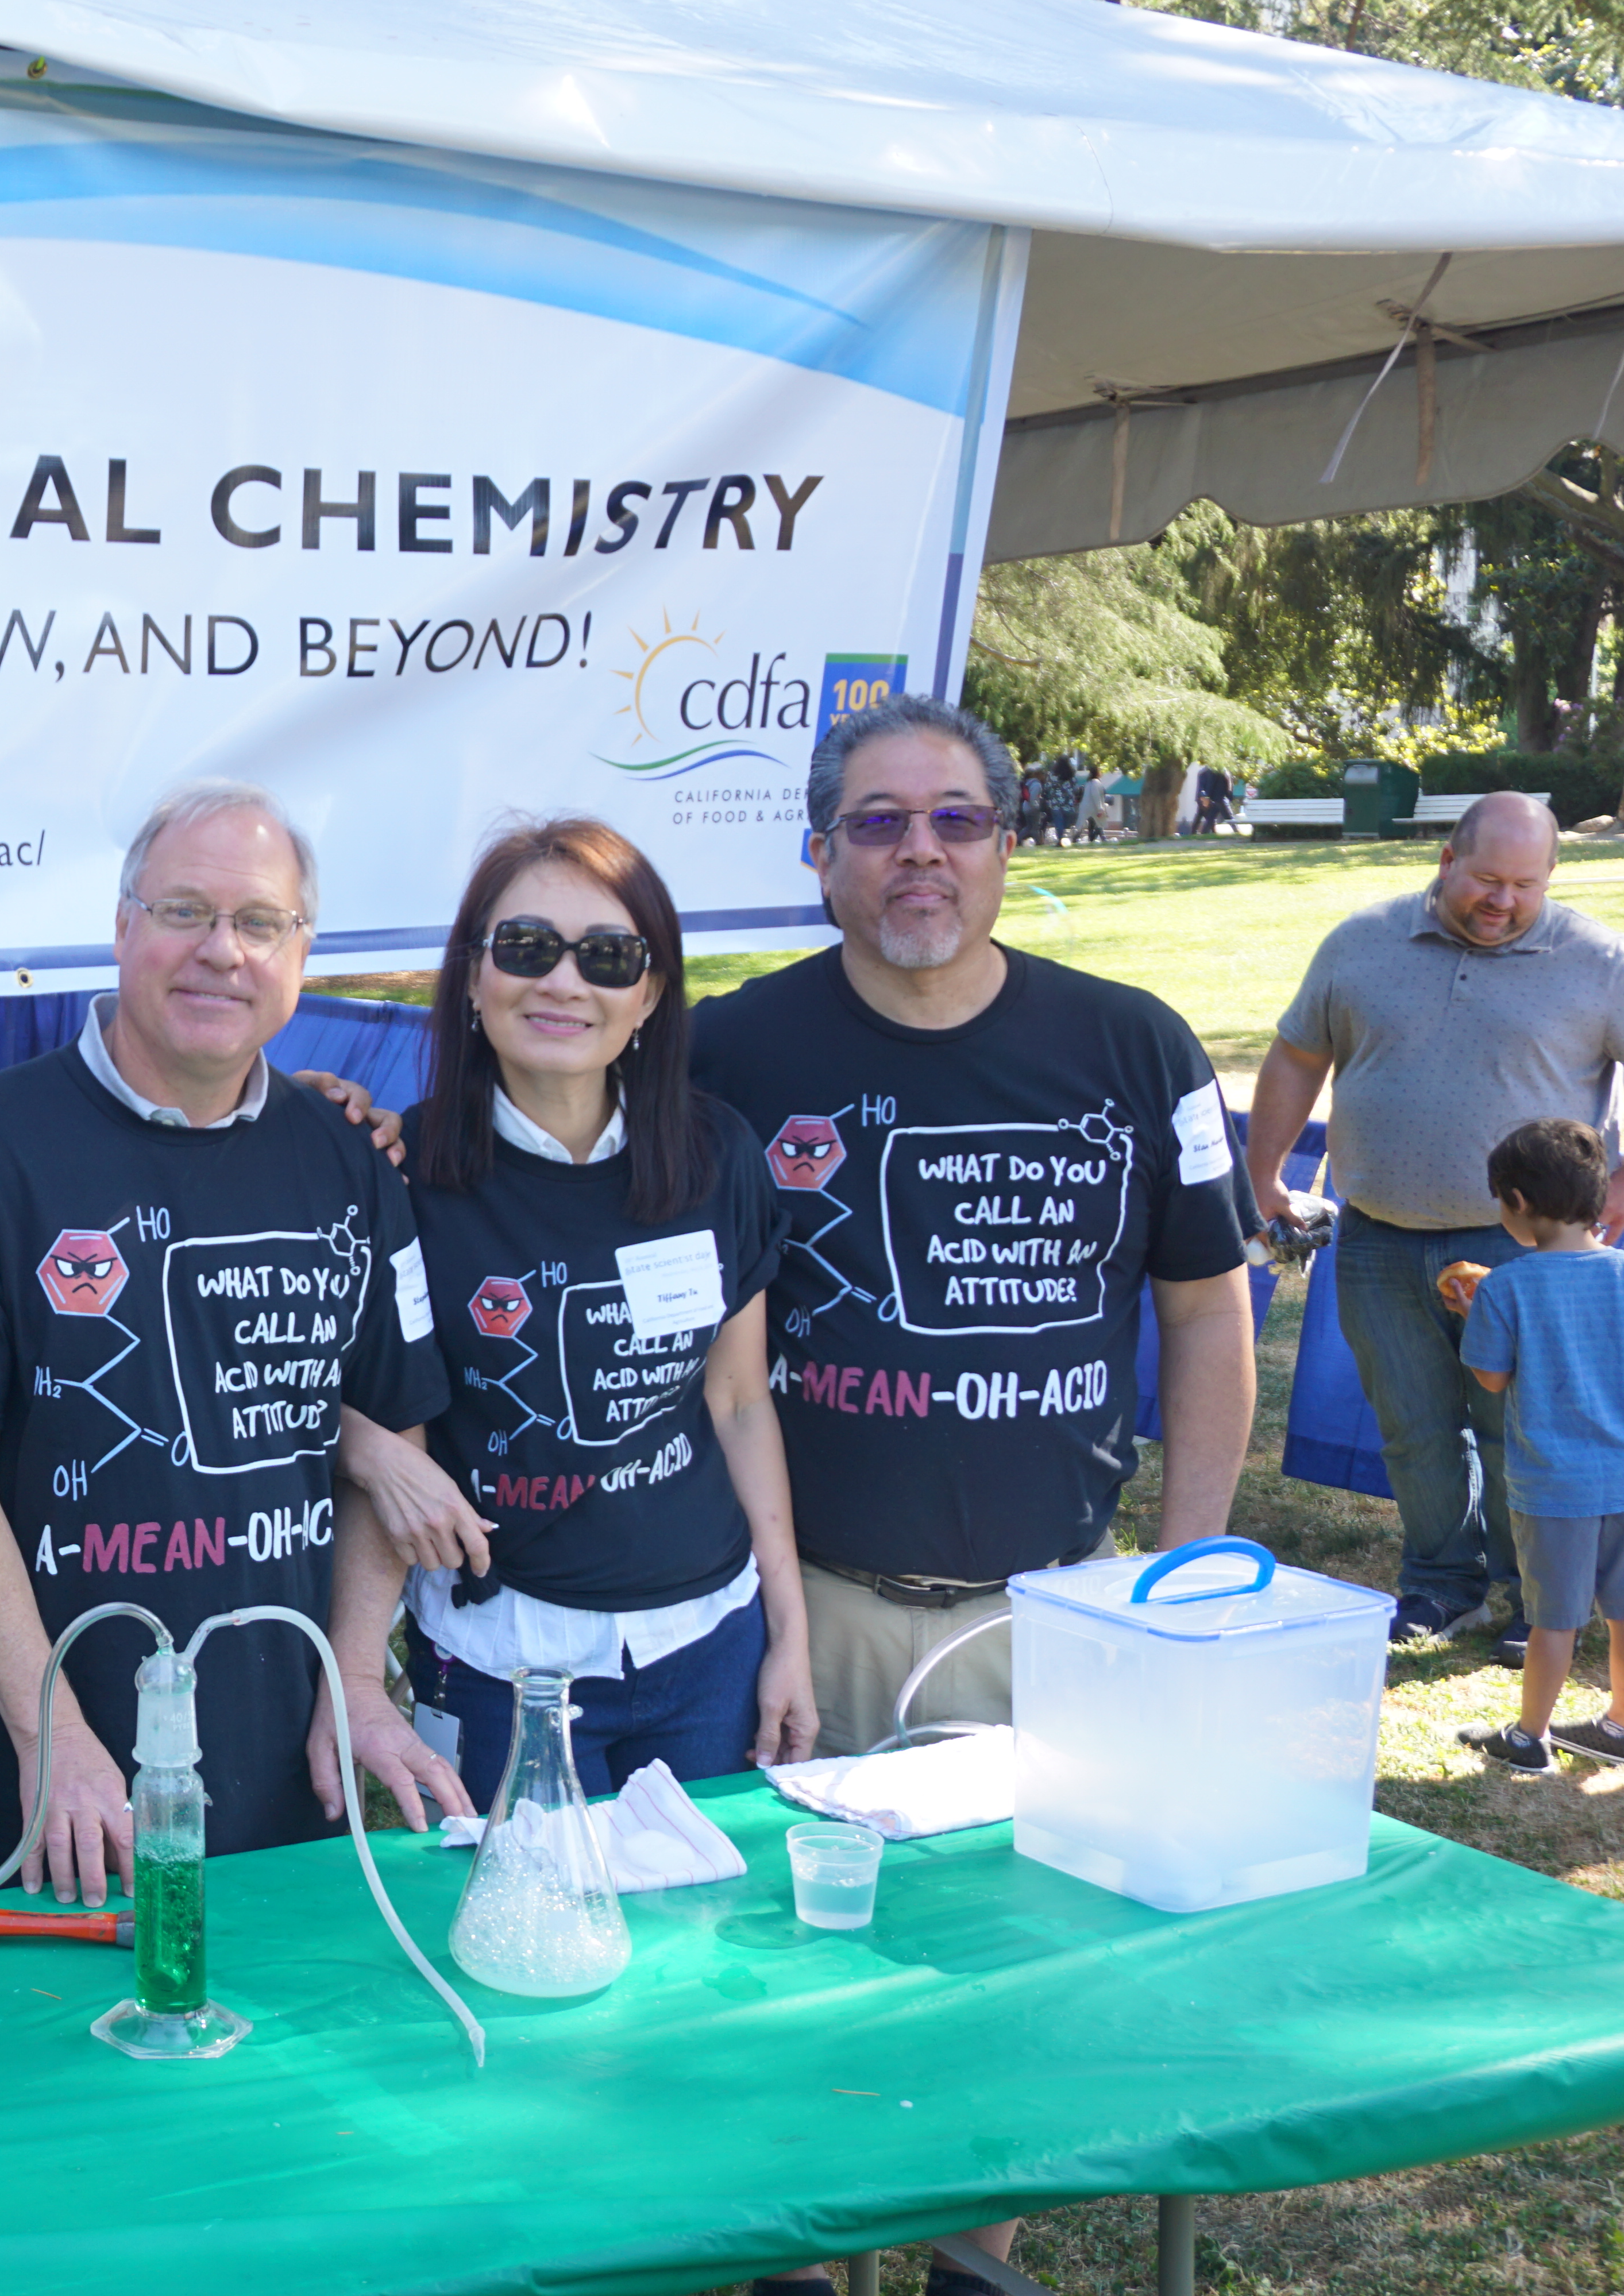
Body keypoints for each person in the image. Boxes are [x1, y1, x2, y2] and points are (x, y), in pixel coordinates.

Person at [691, 694, 1252, 2295]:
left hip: (1054, 1614)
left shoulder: (1130, 1043)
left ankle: (970, 2264)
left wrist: (1181, 1581)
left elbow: (1208, 1305)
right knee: (785, 1981)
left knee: (1006, 1988)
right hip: (803, 1619)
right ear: (819, 858)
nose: (919, 853)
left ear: (1010, 846)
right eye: (879, 823)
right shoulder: (731, 1053)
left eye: (956, 820)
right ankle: (793, 2258)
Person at [0, 780, 468, 1907]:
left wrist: (353, 1677)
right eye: (184, 911)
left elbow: (392, 1421)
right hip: (53, 1786)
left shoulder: (350, 1157)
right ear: (121, 927)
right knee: (65, 2078)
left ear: (304, 951)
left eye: (259, 923)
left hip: (287, 1770)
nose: (222, 952)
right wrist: (50, 1730)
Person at [357, 818, 816, 1793]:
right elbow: (316, 1391)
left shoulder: (719, 1156)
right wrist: (370, 1451)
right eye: (526, 948)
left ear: (648, 994)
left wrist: (791, 1635)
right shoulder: (404, 1174)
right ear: (473, 977)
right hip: (499, 1663)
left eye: (608, 957)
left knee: (701, 1938)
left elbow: (739, 1404)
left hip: (711, 1648)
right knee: (511, 1939)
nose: (564, 983)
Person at [1245, 791, 1624, 1660]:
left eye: (1525, 885)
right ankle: (1441, 1584)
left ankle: (1541, 1597)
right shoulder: (1360, 942)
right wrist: (1267, 1176)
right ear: (1446, 859)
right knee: (1413, 1424)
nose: (1504, 901)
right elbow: (1300, 1055)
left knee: (1525, 1427)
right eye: (1487, 879)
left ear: (1551, 880)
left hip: (1532, 1253)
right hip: (1379, 1234)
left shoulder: (1599, 962)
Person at [1453, 1119, 1624, 1774]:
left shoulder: (1505, 1287)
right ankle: (1617, 1725)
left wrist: (1476, 1315)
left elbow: (1493, 1377)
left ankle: (1529, 1739)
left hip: (1556, 1488)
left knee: (1554, 1619)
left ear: (1518, 1202)